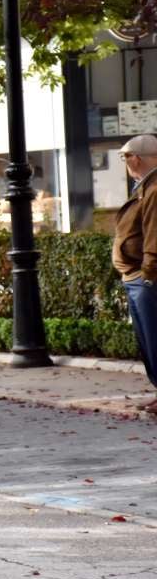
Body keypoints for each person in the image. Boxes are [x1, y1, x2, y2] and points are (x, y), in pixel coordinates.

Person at [114, 134, 157, 413]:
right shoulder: (146, 187)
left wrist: (148, 274)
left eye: (125, 157)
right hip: (138, 278)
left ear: (136, 158)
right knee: (148, 341)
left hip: (146, 280)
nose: (125, 163)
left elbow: (154, 236)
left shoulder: (154, 190)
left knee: (154, 338)